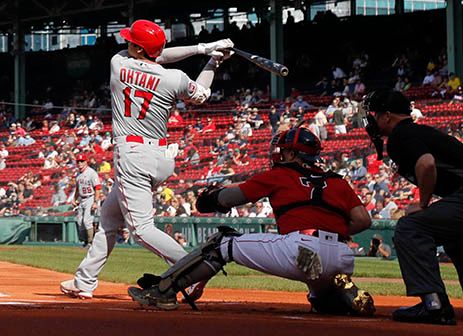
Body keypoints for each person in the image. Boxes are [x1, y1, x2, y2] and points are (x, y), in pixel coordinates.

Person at [59, 20, 232, 300]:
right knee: (109, 218)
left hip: (133, 156)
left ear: (138, 48)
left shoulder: (119, 63)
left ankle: (194, 270)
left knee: (141, 230)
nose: (126, 43)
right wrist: (211, 58)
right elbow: (200, 92)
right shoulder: (173, 78)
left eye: (132, 41)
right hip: (161, 156)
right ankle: (84, 281)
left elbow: (155, 55)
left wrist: (204, 49)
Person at [127, 126, 374, 315]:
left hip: (303, 249)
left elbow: (230, 198)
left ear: (291, 153)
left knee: (223, 242)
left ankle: (163, 291)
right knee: (323, 303)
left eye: (284, 150)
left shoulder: (281, 174)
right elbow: (363, 220)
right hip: (341, 256)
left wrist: (211, 197)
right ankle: (334, 295)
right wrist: (333, 230)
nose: (279, 153)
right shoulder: (337, 180)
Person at [364, 90, 463, 324]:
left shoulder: (401, 134)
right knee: (459, 238)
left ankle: (433, 304)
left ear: (387, 116)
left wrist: (423, 203)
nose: (372, 120)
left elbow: (426, 164)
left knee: (410, 228)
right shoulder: (417, 131)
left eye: (375, 114)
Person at [75, 157, 100, 247]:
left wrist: (95, 202)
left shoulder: (92, 173)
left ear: (86, 162)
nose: (80, 163)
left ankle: (90, 242)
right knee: (79, 221)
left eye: (82, 161)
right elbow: (77, 189)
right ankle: (84, 241)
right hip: (82, 198)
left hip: (91, 197)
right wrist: (75, 199)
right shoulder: (78, 174)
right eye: (78, 161)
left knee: (87, 221)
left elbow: (97, 188)